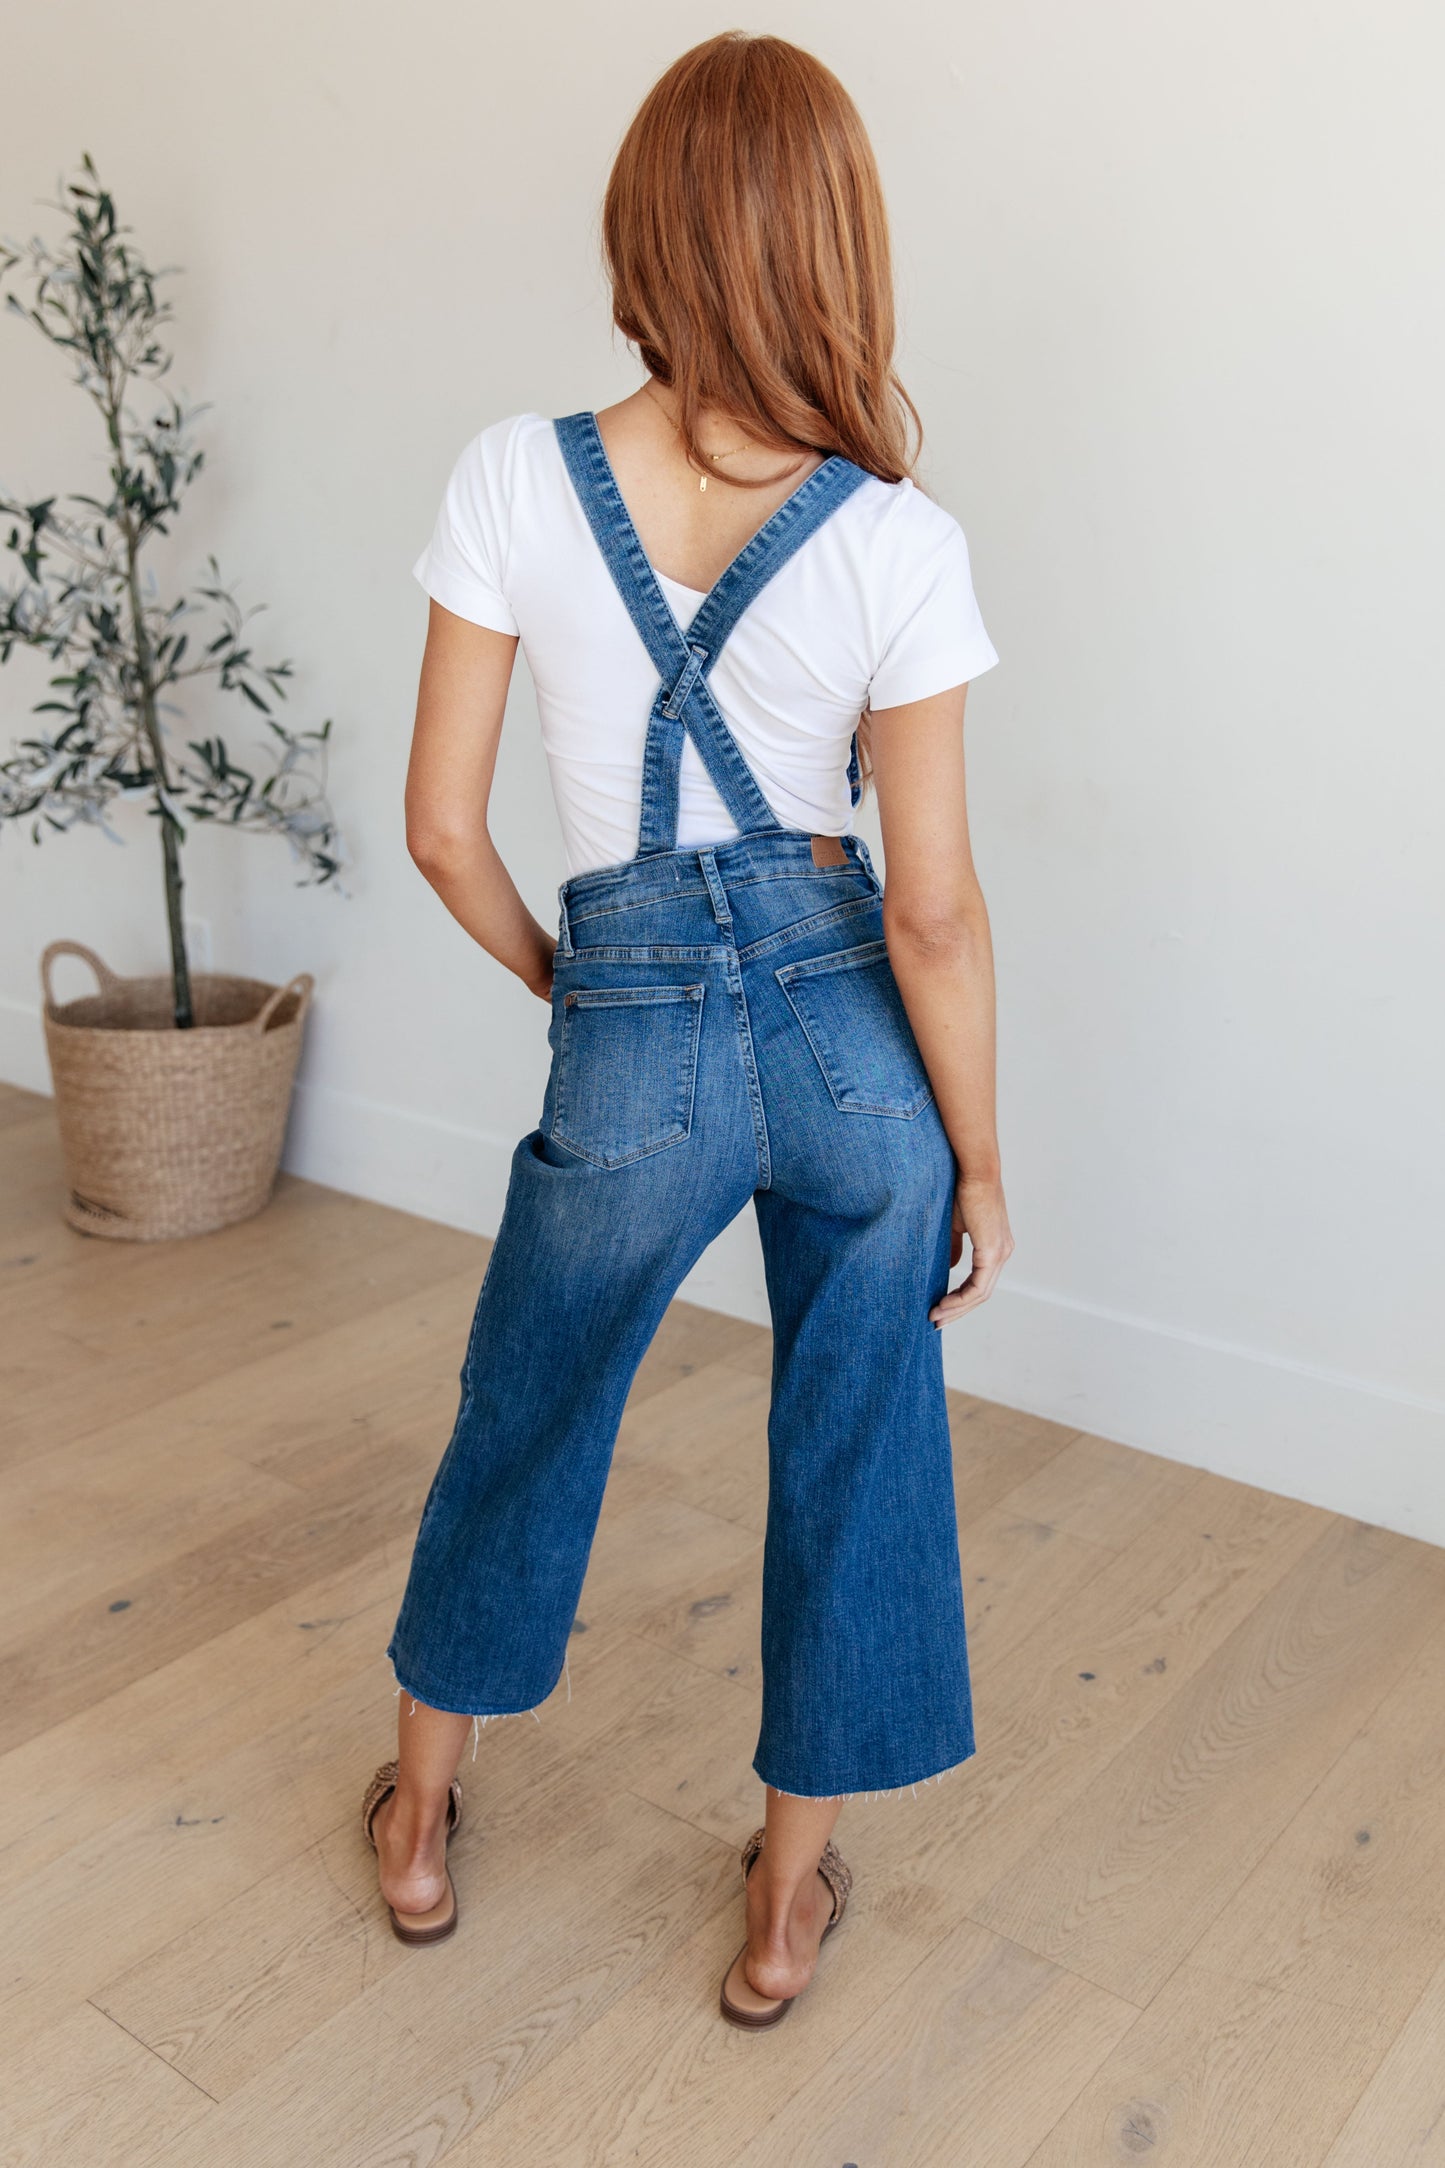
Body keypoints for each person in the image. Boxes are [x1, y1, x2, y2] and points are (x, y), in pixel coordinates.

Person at [362, 29, 1013, 2028]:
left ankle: (419, 1816)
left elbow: (442, 830)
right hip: (850, 1037)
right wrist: (980, 1154)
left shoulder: (512, 475)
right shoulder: (899, 539)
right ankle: (784, 1903)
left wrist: (574, 982)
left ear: (643, 227)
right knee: (858, 1444)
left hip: (629, 1011)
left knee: (526, 1409)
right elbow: (930, 907)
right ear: (837, 242)